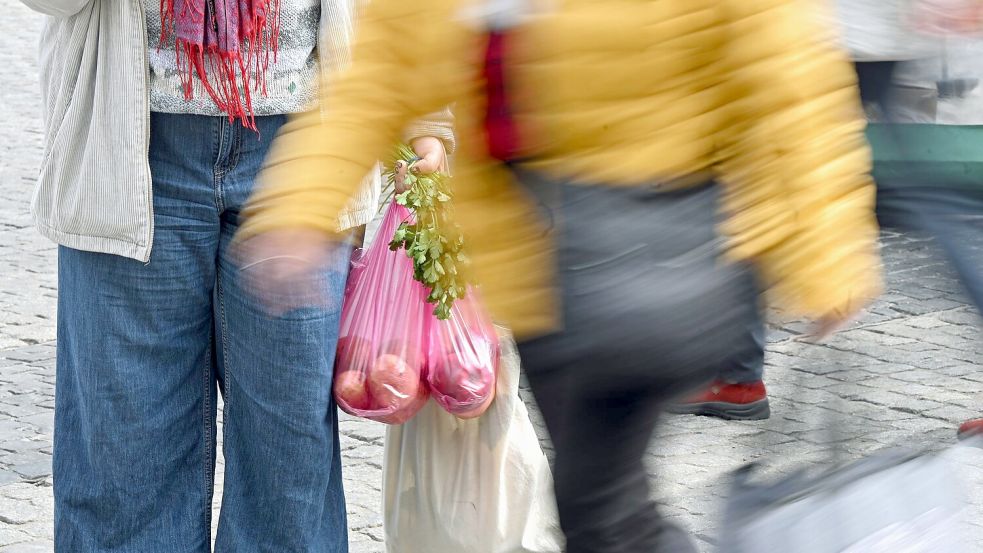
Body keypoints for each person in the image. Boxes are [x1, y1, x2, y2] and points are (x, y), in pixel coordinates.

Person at [234, 0, 882, 551]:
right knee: (602, 506)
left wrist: (827, 252)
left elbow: (789, 79)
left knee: (598, 508)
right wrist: (299, 208)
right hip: (536, 268)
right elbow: (376, 79)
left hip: (658, 257)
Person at [20, 0, 452, 549]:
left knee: (288, 455)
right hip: (130, 150)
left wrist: (426, 115)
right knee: (124, 452)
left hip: (306, 153)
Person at [831, 0, 983, 440]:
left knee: (925, 202)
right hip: (866, 31)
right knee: (926, 201)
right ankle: (739, 374)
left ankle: (738, 375)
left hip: (848, 32)